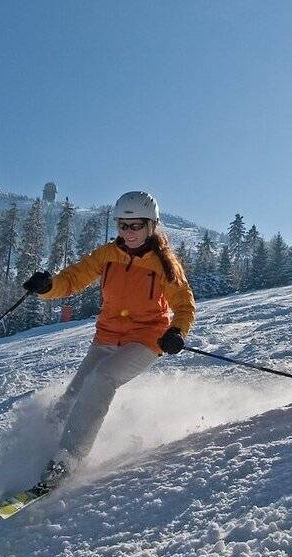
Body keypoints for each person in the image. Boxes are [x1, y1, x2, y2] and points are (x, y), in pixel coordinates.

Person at [22, 191, 196, 487]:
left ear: (152, 225)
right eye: (122, 225)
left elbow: (184, 304)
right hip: (106, 336)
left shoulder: (165, 264)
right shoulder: (107, 255)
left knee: (102, 378)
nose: (128, 233)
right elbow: (73, 278)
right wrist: (48, 286)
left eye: (136, 226)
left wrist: (177, 331)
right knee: (72, 398)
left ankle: (67, 460)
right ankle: (35, 454)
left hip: (145, 339)